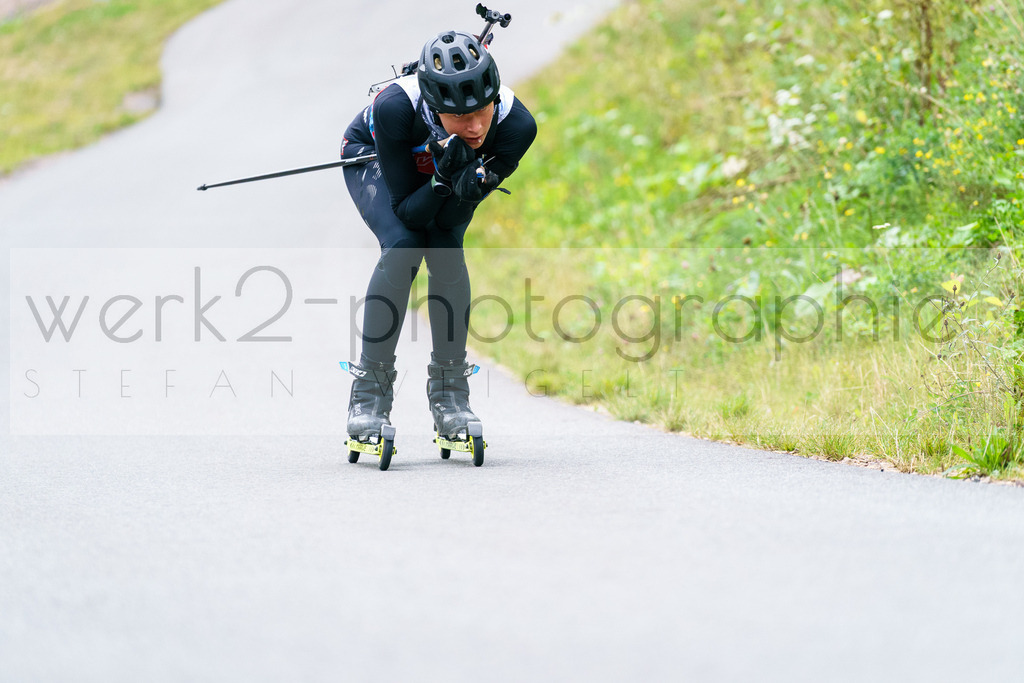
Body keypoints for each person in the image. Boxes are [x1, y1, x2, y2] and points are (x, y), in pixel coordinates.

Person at [339, 29, 537, 445]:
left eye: (483, 110)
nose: (477, 125)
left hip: (437, 172)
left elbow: (446, 222)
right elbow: (408, 211)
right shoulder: (395, 108)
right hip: (372, 152)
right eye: (462, 118)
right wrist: (443, 176)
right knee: (405, 245)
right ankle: (368, 397)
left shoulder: (516, 126)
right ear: (434, 106)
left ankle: (450, 397)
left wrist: (461, 181)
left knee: (445, 246)